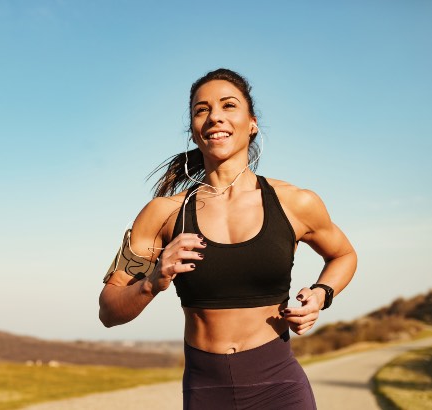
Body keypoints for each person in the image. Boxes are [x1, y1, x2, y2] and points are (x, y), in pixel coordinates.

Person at [98, 68, 357, 409]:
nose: (214, 116)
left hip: (280, 386)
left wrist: (322, 294)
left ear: (252, 123)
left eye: (228, 105)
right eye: (201, 110)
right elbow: (108, 310)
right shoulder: (161, 213)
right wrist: (153, 280)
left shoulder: (297, 202)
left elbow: (344, 255)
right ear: (193, 131)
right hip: (206, 391)